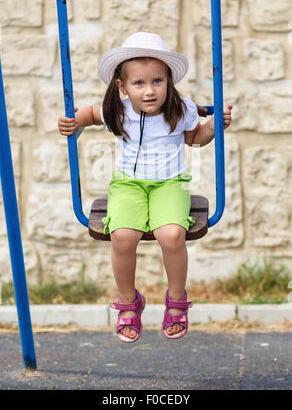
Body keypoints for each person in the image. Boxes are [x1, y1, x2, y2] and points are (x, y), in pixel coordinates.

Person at [58, 32, 232, 343]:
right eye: (139, 83)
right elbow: (89, 114)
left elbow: (195, 138)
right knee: (122, 237)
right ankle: (129, 302)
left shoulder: (180, 110)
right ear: (122, 87)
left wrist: (212, 128)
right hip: (128, 185)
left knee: (172, 234)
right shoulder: (118, 111)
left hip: (169, 183)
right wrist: (73, 122)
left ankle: (176, 300)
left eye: (157, 82)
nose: (149, 91)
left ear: (169, 81)